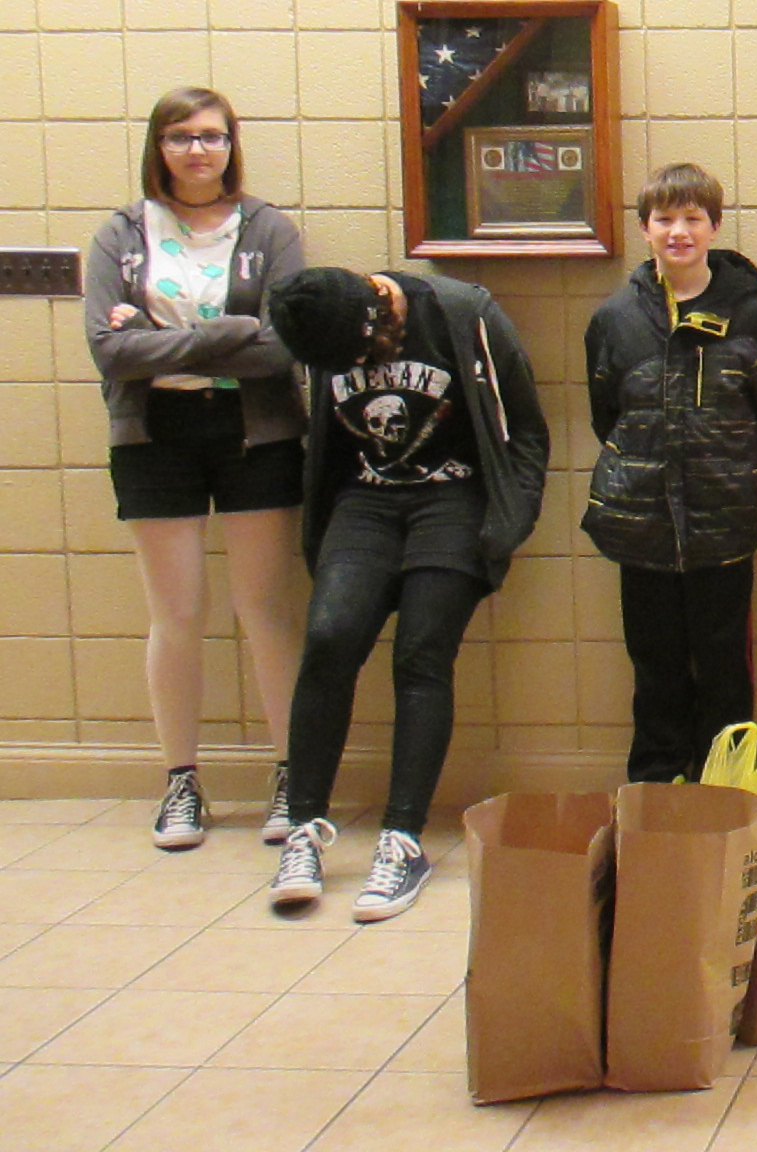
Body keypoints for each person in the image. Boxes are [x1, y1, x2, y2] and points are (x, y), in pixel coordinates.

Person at [263, 265, 549, 920]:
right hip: (364, 501)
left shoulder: (461, 312)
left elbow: (527, 426)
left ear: (378, 314)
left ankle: (402, 839)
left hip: (453, 497)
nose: (356, 366)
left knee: (421, 654)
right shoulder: (324, 326)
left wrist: (509, 521)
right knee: (330, 639)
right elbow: (328, 445)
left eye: (363, 354)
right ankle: (304, 828)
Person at [84, 87, 307, 852]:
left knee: (265, 609)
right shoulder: (121, 233)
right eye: (181, 137)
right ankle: (181, 782)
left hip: (257, 431)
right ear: (159, 147)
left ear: (231, 146)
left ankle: (293, 776)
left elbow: (280, 344)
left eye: (211, 137)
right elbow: (108, 351)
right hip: (155, 433)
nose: (197, 151)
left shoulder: (268, 228)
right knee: (175, 614)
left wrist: (160, 335)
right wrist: (225, 336)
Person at [583, 163, 757, 784]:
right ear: (645, 229)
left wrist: (737, 474)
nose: (678, 231)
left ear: (714, 227)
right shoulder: (616, 317)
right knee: (653, 666)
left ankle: (726, 791)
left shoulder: (751, 315)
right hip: (640, 527)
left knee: (725, 666)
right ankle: (655, 790)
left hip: (723, 529)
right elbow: (607, 416)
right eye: (664, 219)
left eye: (692, 219)